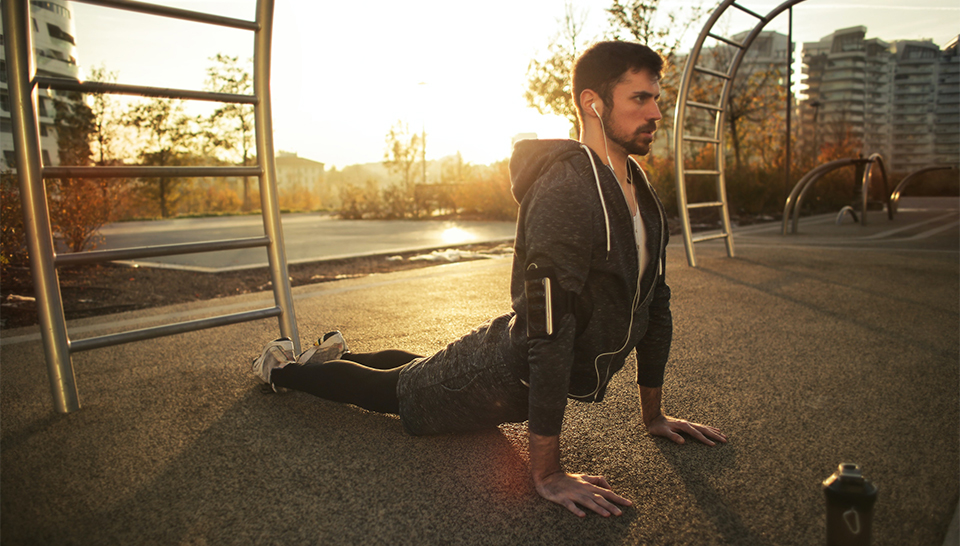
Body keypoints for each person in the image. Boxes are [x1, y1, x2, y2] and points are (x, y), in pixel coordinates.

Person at [250, 40, 726, 518]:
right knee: (398, 393)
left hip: (504, 364)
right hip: (501, 372)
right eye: (640, 98)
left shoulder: (640, 190)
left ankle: (333, 352)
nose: (657, 112)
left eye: (656, 98)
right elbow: (549, 329)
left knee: (420, 372)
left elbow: (654, 305)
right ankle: (283, 368)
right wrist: (547, 474)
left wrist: (654, 415)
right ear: (593, 103)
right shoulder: (566, 192)